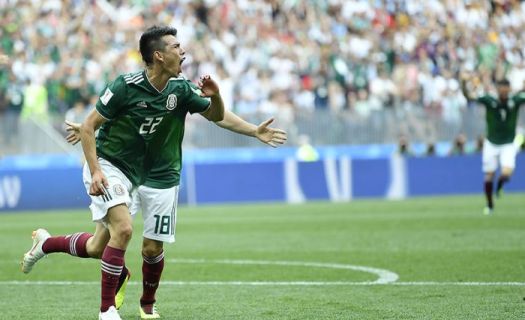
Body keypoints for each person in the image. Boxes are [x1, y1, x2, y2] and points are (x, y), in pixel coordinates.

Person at [23, 25, 287, 320]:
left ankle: (50, 246)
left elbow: (216, 115)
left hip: (159, 174)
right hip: (114, 166)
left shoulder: (181, 89)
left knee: (106, 246)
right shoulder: (125, 85)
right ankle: (106, 310)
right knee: (122, 230)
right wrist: (96, 171)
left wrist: (237, 115)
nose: (183, 51)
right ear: (159, 56)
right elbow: (88, 126)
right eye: (176, 47)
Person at [462, 78, 525, 215]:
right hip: (491, 143)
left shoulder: (516, 100)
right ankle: (489, 204)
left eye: (506, 89)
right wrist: (463, 84)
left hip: (508, 143)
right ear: (497, 89)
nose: (503, 92)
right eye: (501, 89)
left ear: (509, 89)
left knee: (506, 173)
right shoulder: (489, 100)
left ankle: (500, 185)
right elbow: (469, 97)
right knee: (489, 175)